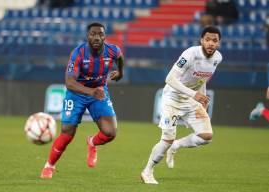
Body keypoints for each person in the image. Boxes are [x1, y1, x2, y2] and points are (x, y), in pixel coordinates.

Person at [40, 22, 124, 179]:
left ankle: (92, 142)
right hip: (77, 93)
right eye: (93, 34)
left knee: (110, 133)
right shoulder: (78, 53)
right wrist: (91, 92)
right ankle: (49, 165)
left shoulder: (112, 50)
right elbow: (69, 83)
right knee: (67, 134)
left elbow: (119, 57)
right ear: (88, 36)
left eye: (100, 34)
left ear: (105, 36)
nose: (97, 37)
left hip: (99, 91)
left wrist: (120, 73)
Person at [141, 26, 223, 184]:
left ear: (219, 43)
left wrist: (202, 100)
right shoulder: (190, 54)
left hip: (191, 100)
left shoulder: (217, 58)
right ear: (201, 41)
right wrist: (194, 95)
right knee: (167, 139)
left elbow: (201, 80)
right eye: (208, 39)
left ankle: (177, 145)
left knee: (206, 136)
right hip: (172, 98)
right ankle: (147, 171)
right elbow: (169, 79)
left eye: (215, 40)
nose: (211, 43)